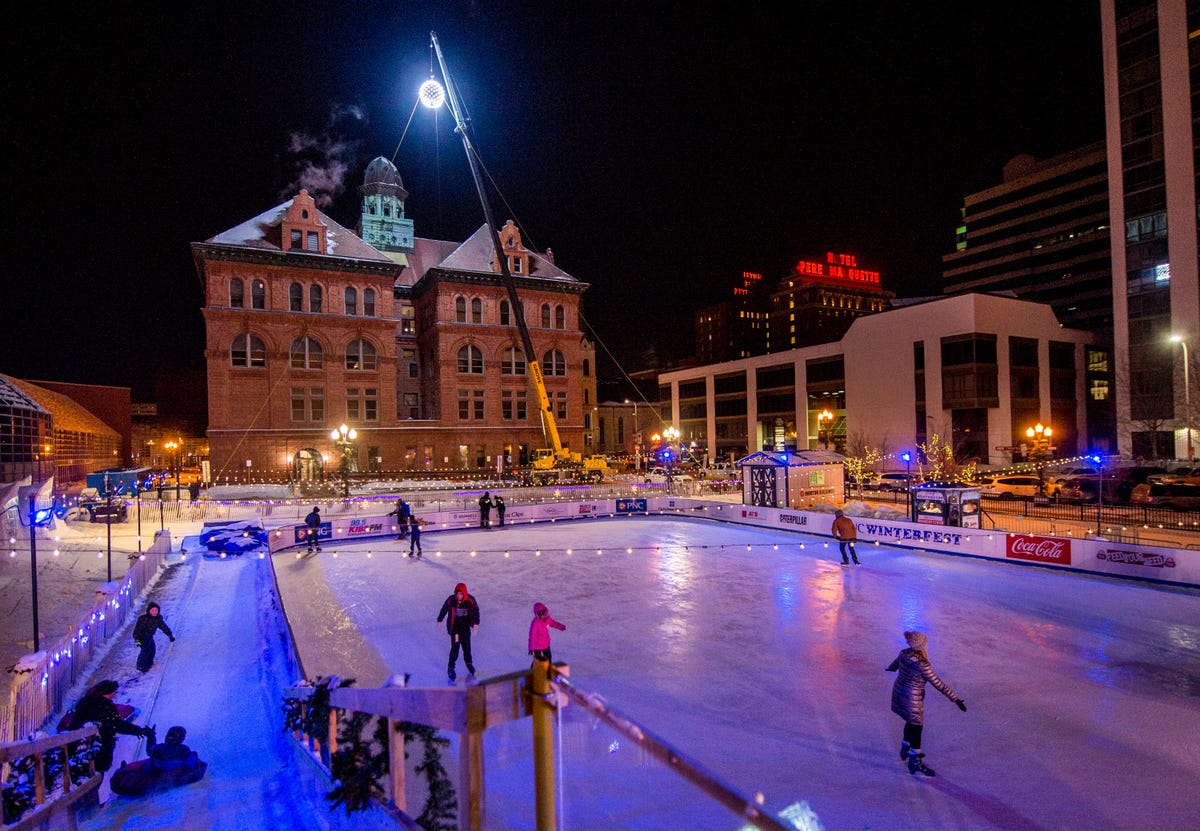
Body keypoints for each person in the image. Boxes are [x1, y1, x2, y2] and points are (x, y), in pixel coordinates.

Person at [885, 630, 967, 777]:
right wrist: (955, 698)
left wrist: (890, 668)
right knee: (916, 728)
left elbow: (895, 664)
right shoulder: (923, 665)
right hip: (913, 699)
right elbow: (939, 684)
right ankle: (914, 761)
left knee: (910, 722)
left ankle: (905, 747)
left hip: (899, 693)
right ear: (921, 646)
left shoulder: (904, 653)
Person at [71, 680, 154, 773]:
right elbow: (118, 724)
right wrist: (139, 731)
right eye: (114, 692)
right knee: (95, 773)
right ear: (107, 693)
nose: (115, 694)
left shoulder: (85, 702)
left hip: (80, 749)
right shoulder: (105, 707)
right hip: (98, 750)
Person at [436, 582, 480, 682]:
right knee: (455, 650)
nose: (458, 596)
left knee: (467, 648)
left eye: (460, 594)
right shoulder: (451, 600)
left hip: (465, 630)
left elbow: (476, 611)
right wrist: (440, 619)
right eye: (457, 593)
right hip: (455, 630)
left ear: (464, 593)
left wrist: (475, 625)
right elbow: (444, 608)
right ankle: (451, 668)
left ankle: (469, 663)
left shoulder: (470, 600)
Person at [133, 601, 175, 673]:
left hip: (149, 636)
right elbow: (136, 631)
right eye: (152, 610)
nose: (154, 612)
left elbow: (163, 627)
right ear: (149, 611)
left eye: (156, 610)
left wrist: (169, 635)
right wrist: (137, 641)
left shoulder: (157, 619)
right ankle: (141, 665)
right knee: (145, 650)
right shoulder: (143, 619)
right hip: (142, 637)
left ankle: (149, 663)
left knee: (152, 650)